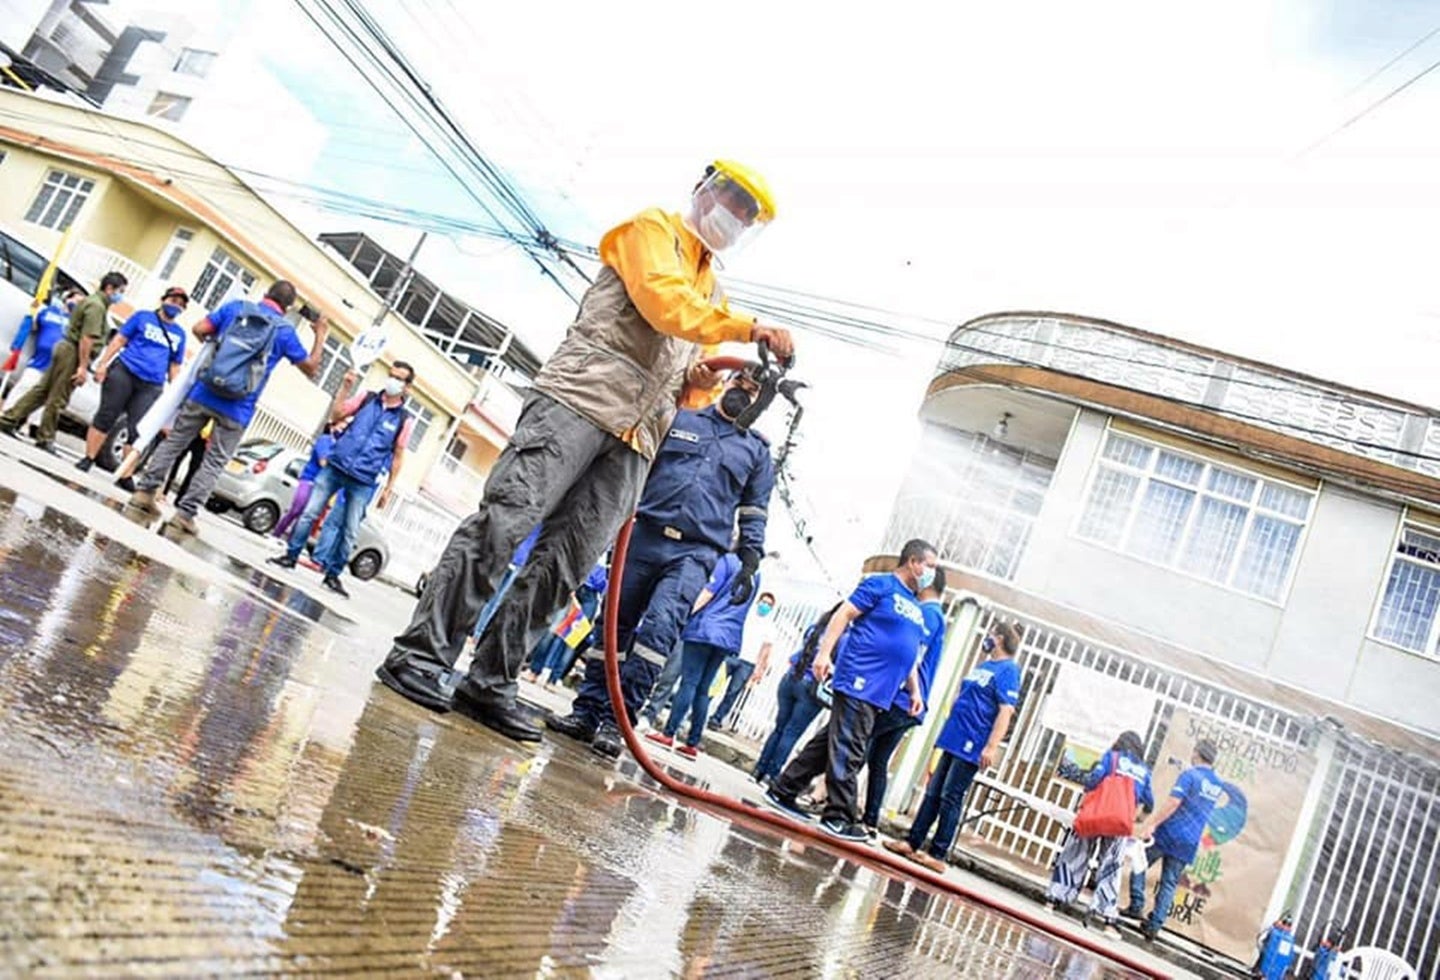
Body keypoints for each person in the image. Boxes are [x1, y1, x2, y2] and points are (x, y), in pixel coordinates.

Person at [378, 160, 793, 744]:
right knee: (504, 524)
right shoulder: (653, 231)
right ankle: (420, 655)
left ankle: (491, 680)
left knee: (564, 565)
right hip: (578, 401)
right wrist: (747, 329)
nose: (736, 219)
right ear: (706, 191)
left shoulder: (712, 294)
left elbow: (684, 382)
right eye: (735, 203)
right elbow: (661, 303)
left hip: (636, 439)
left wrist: (702, 379)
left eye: (747, 217)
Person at [547, 368, 777, 758]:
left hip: (695, 553)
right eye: (739, 382)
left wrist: (750, 559)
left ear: (760, 403)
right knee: (613, 626)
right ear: (727, 382)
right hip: (643, 537)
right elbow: (635, 468)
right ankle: (587, 712)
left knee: (659, 630)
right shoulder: (680, 419)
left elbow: (755, 511)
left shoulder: (756, 452)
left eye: (753, 392)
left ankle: (617, 723)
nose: (742, 392)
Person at [763, 540, 937, 842]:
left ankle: (783, 789)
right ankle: (838, 816)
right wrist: (823, 654)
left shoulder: (915, 606)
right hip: (860, 679)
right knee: (851, 748)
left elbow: (909, 653)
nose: (932, 573)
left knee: (829, 743)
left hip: (880, 691)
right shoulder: (880, 585)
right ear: (913, 562)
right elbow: (843, 614)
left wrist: (915, 691)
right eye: (930, 566)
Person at [124, 280, 328, 535]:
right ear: (286, 308)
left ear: (265, 294)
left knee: (175, 442)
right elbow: (311, 368)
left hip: (204, 390)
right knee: (213, 462)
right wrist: (320, 335)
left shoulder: (236, 308)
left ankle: (144, 493)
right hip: (238, 407)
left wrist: (216, 349)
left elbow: (199, 329)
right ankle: (184, 515)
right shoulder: (284, 331)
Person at [884, 620, 1024, 872]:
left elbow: (1006, 711)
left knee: (951, 795)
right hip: (953, 736)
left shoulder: (1008, 670)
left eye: (992, 633)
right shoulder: (984, 666)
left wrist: (991, 746)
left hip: (972, 741)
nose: (988, 637)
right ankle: (912, 842)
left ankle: (938, 854)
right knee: (933, 792)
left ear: (1000, 638)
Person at [269, 363, 414, 597]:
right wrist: (345, 388)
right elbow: (336, 415)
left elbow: (398, 456)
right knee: (309, 513)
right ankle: (291, 556)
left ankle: (333, 575)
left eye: (399, 378)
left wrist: (389, 488)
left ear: (407, 387)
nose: (392, 381)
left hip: (363, 479)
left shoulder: (403, 420)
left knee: (350, 530)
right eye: (391, 375)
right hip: (336, 466)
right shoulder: (367, 398)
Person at [646, 557, 767, 758]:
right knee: (704, 689)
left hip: (705, 629)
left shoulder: (727, 561)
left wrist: (684, 616)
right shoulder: (756, 574)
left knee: (689, 683)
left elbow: (707, 593)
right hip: (728, 636)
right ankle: (692, 743)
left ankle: (669, 734)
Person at [862, 566, 949, 837]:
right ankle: (869, 820)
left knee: (857, 742)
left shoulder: (928, 614)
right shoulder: (934, 615)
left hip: (903, 699)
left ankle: (833, 799)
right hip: (908, 703)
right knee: (877, 759)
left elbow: (912, 653)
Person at [0, 272, 128, 451]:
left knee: (42, 391)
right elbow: (87, 338)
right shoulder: (97, 307)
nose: (120, 296)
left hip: (67, 349)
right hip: (73, 352)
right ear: (109, 288)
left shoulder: (93, 302)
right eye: (120, 291)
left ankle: (9, 419)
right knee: (59, 397)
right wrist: (82, 366)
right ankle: (45, 436)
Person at [1046, 730, 1155, 939]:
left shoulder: (1112, 758)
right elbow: (1150, 802)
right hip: (1119, 824)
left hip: (1095, 816)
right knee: (1111, 867)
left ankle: (1055, 899)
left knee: (1076, 854)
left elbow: (1094, 779)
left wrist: (1091, 791)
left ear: (1120, 743)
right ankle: (1107, 920)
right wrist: (1137, 818)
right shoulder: (1144, 772)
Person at [75, 286, 189, 473]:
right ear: (163, 300)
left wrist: (175, 393)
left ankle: (125, 474)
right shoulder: (142, 317)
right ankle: (89, 457)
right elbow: (119, 340)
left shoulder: (180, 334)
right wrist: (103, 364)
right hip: (125, 372)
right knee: (107, 415)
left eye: (180, 305)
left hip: (151, 384)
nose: (175, 306)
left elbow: (175, 365)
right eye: (173, 301)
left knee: (138, 428)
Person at [1122, 738, 1223, 941]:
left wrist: (1151, 824)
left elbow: (1173, 803)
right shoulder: (1216, 784)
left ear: (1197, 753)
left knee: (1139, 863)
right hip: (1189, 841)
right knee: (1169, 883)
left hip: (1168, 833)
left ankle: (1136, 904)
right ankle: (1154, 925)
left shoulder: (1189, 776)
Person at [751, 603, 842, 785]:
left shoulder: (815, 628)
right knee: (791, 733)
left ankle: (759, 770)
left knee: (779, 727)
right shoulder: (842, 638)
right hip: (811, 688)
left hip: (790, 678)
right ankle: (772, 774)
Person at [3, 286, 83, 412]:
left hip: (58, 363)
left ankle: (31, 422)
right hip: (40, 359)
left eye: (80, 304)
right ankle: (8, 411)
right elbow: (34, 326)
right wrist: (31, 314)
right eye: (75, 301)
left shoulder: (77, 323)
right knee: (25, 386)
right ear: (67, 299)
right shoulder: (49, 312)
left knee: (43, 396)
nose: (76, 305)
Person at [707, 590, 778, 731]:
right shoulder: (746, 617)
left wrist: (759, 669)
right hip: (732, 655)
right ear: (758, 602)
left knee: (732, 693)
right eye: (763, 602)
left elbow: (766, 650)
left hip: (748, 663)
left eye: (768, 605)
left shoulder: (770, 627)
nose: (765, 606)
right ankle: (699, 710)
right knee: (714, 685)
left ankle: (717, 718)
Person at [273, 425, 338, 539]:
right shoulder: (325, 440)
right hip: (309, 479)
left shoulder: (339, 446)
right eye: (343, 424)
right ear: (333, 426)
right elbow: (323, 462)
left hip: (323, 485)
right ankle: (277, 533)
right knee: (297, 509)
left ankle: (292, 541)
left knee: (306, 516)